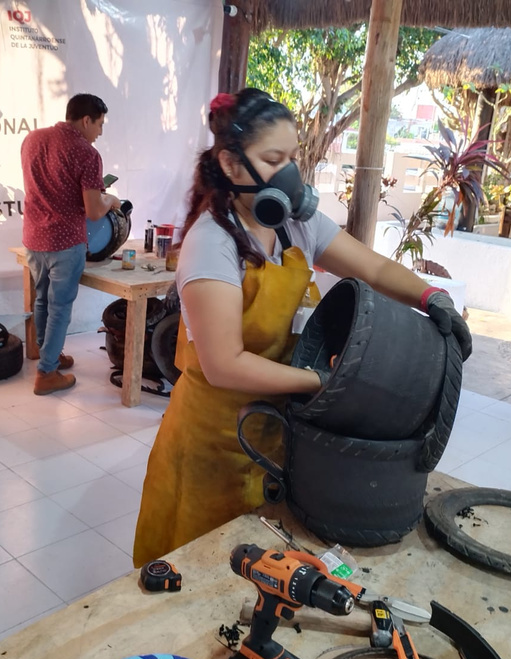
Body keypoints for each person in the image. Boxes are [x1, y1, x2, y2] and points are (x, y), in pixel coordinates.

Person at [132, 89, 472, 566]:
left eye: (294, 157)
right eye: (274, 159)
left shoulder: (297, 226)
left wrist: (431, 296)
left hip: (278, 430)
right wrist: (325, 382)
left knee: (264, 569)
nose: (291, 172)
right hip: (212, 441)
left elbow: (371, 269)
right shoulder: (211, 243)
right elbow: (224, 364)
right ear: (231, 165)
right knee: (200, 570)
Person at [21, 93, 121, 395]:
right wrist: (111, 200)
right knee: (60, 307)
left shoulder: (32, 139)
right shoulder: (86, 153)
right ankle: (47, 373)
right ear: (86, 120)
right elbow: (93, 209)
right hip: (65, 242)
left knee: (42, 299)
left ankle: (46, 352)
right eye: (100, 125)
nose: (100, 132)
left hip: (34, 237)